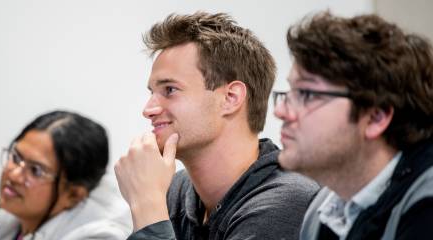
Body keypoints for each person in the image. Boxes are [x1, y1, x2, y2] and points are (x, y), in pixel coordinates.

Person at [115, 12, 319, 239]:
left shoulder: (286, 204)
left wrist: (148, 207)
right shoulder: (177, 190)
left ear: (230, 98)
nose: (148, 109)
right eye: (152, 92)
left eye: (170, 90)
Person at [275, 11, 433, 239]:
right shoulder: (325, 211)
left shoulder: (425, 208)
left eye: (307, 94)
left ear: (375, 117)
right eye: (290, 92)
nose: (280, 111)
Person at [0, 110, 131, 240]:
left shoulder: (100, 235)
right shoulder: (18, 215)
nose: (14, 175)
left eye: (35, 170)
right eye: (16, 158)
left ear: (74, 194)